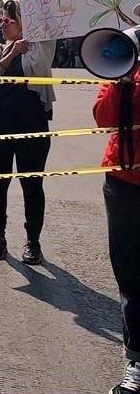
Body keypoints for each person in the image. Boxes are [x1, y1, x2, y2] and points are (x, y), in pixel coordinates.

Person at [0, 0, 56, 264]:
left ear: (25, 23)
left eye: (8, 21)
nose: (2, 25)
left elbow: (40, 59)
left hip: (32, 125)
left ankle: (33, 242)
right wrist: (12, 53)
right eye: (1, 20)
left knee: (32, 185)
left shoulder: (41, 48)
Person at [94, 65, 140, 394]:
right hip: (123, 183)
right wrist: (121, 81)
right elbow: (103, 118)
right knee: (130, 273)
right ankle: (136, 359)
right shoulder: (124, 66)